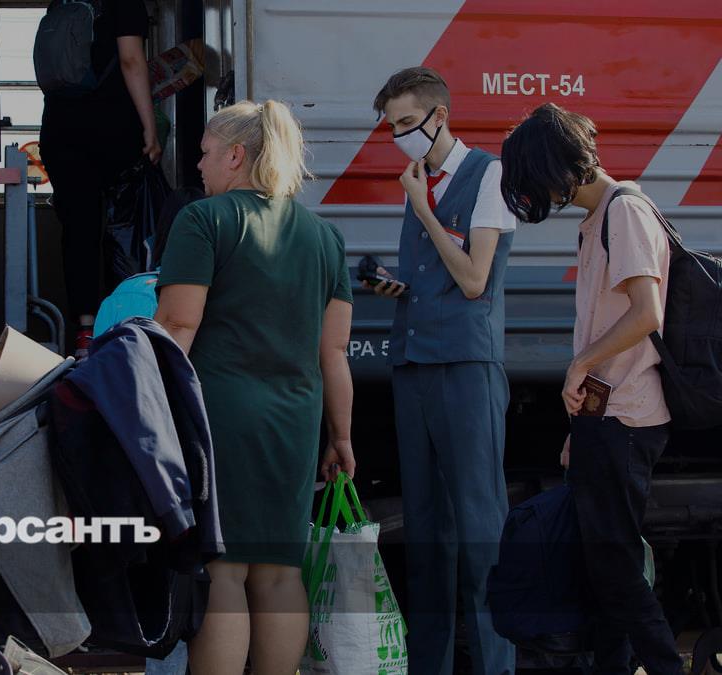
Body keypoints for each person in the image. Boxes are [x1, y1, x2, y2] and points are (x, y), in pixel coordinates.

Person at [154, 99, 356, 675]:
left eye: (205, 153)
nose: (199, 166)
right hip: (295, 421)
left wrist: (150, 409)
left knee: (223, 570)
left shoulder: (204, 220)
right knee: (279, 572)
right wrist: (341, 436)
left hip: (218, 415)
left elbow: (178, 325)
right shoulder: (325, 237)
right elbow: (333, 352)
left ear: (236, 155)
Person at [500, 103, 682, 675]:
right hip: (605, 418)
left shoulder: (623, 212)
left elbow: (646, 314)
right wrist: (580, 426)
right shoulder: (602, 216)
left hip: (625, 417)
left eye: (531, 180)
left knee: (616, 569)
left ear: (552, 167)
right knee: (605, 571)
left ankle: (665, 667)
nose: (534, 196)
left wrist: (580, 365)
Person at [365, 66, 516, 674]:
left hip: (466, 367)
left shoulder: (488, 174)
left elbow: (475, 279)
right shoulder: (420, 178)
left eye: (407, 122)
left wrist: (423, 209)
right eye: (392, 126)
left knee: (480, 530)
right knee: (427, 535)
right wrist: (395, 287)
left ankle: (496, 666)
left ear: (439, 116)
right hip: (415, 363)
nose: (399, 134)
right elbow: (440, 277)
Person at [39, 0, 162, 358]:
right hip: (113, 129)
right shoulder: (124, 4)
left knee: (78, 230)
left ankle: (85, 332)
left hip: (59, 131)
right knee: (124, 228)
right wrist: (150, 128)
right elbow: (131, 60)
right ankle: (125, 322)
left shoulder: (61, 2)